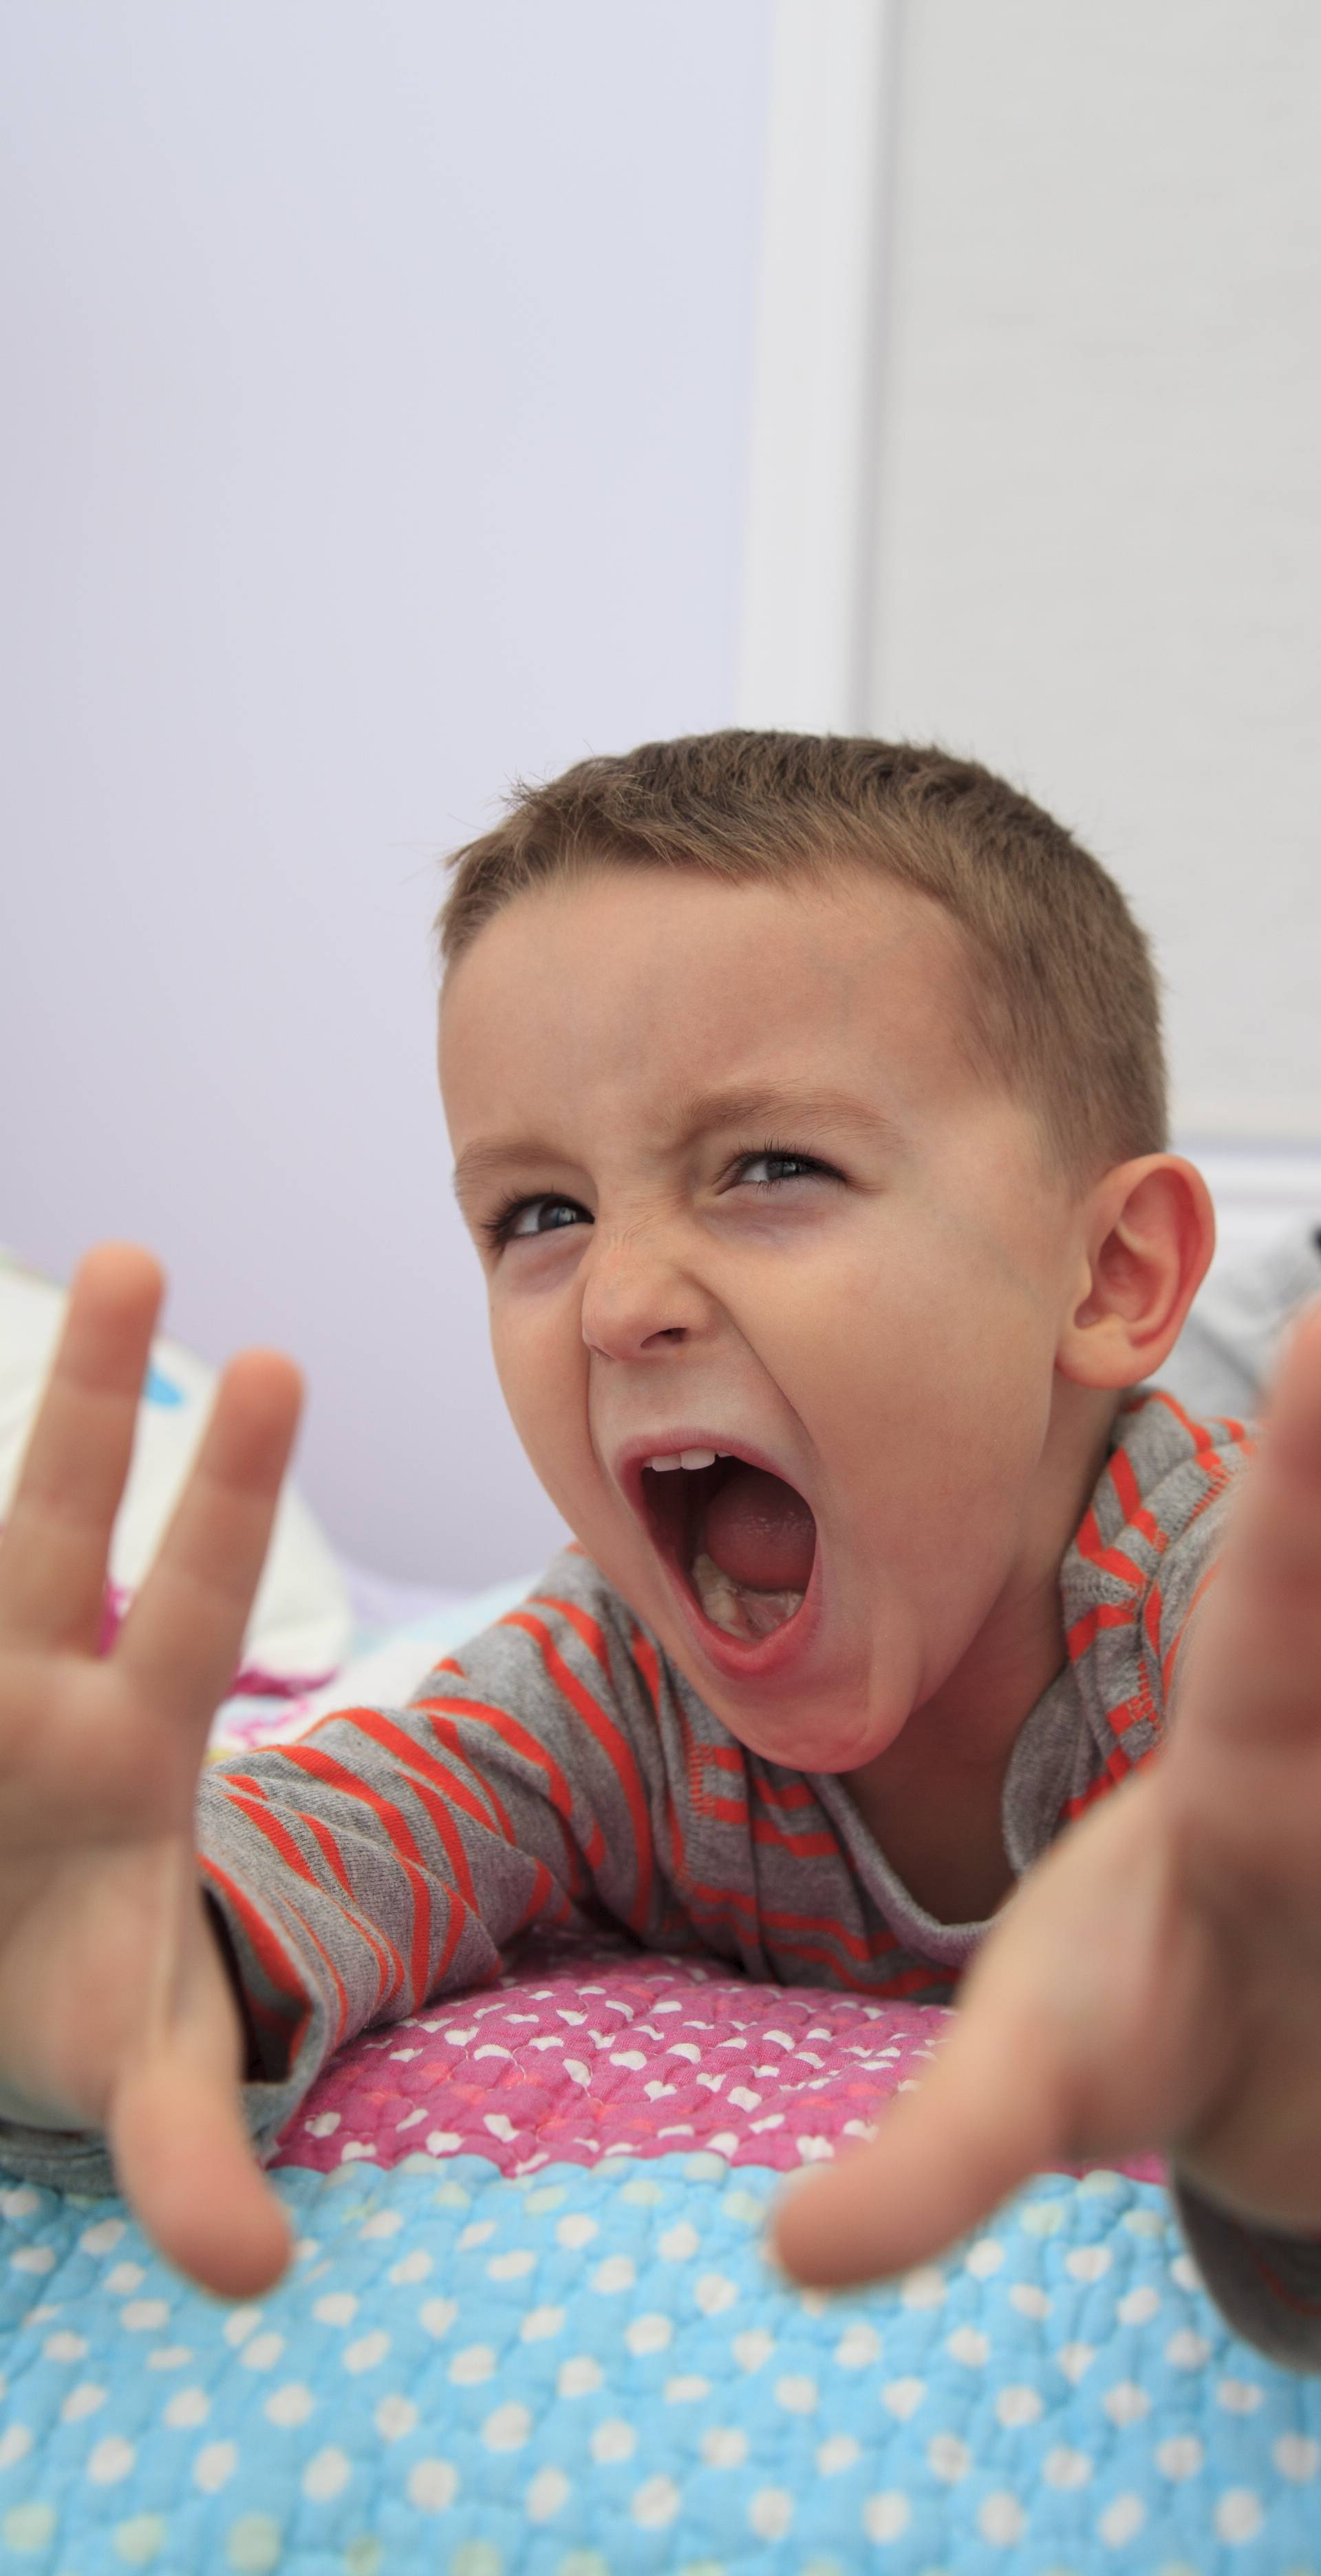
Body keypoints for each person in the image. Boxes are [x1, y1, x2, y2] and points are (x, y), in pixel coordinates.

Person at [1, 733, 1320, 2370]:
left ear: (1111, 1269)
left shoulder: (1235, 1617)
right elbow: (371, 1813)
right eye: (538, 1215)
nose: (624, 1303)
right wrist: (157, 1953)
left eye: (773, 1168)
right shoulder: (612, 1690)